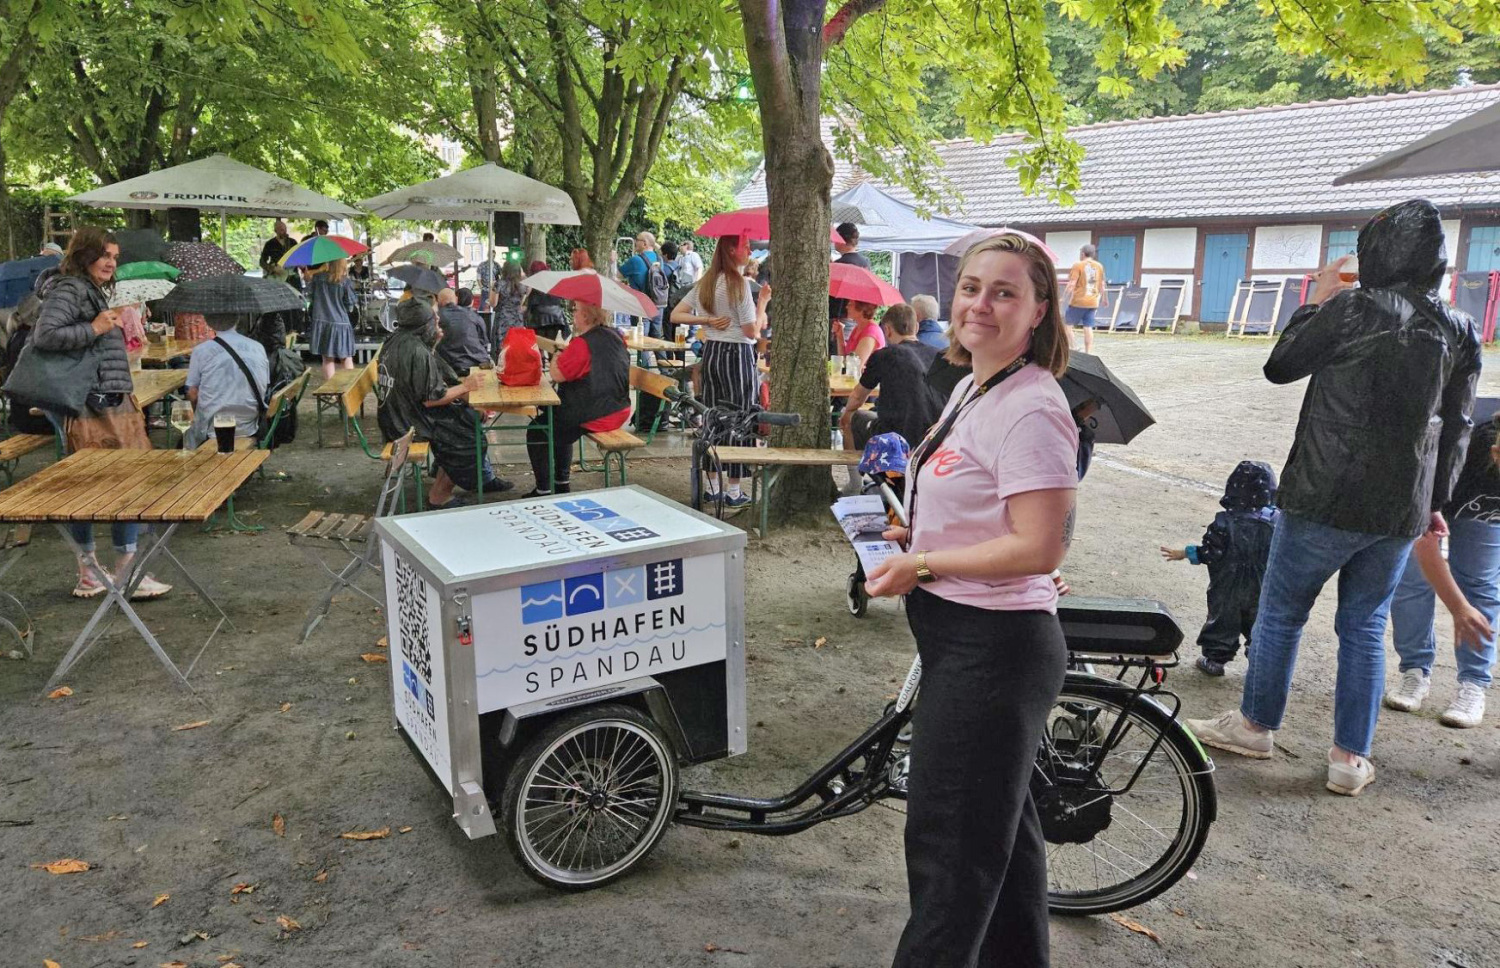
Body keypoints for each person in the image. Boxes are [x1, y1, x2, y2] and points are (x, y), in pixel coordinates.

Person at [1187, 198, 1481, 798]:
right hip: (1400, 507)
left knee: (1282, 613)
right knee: (1366, 627)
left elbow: (1280, 366)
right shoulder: (1460, 328)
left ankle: (1255, 724)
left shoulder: (1354, 307)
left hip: (1323, 494)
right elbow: (1459, 425)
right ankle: (1350, 758)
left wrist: (1316, 301)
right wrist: (1436, 501)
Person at [864, 232, 1076, 968]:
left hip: (994, 652)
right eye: (971, 287)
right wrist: (910, 528)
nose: (980, 303)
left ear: (1039, 309)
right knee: (1002, 849)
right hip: (963, 638)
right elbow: (985, 508)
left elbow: (1040, 547)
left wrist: (921, 562)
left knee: (950, 856)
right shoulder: (972, 385)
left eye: (1005, 291)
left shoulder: (1033, 408)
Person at [32, 227, 170, 600]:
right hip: (93, 403)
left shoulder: (84, 288)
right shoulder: (71, 289)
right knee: (120, 483)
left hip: (100, 399)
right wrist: (94, 327)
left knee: (96, 487)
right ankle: (123, 572)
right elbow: (45, 336)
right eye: (104, 255)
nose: (111, 262)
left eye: (114, 256)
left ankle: (94, 572)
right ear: (84, 255)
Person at [1384, 414, 1500, 728]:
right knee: (1412, 578)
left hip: (1485, 513)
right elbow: (1424, 542)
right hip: (1437, 500)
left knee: (1481, 582)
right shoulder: (1464, 454)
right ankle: (1415, 670)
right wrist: (1458, 607)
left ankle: (1473, 684)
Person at [376, 297, 510, 507]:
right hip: (405, 425)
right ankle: (439, 496)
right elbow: (431, 399)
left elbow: (427, 382)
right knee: (467, 436)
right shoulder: (416, 351)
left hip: (394, 415)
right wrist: (467, 387)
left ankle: (467, 477)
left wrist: (434, 341)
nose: (439, 321)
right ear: (424, 325)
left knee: (468, 417)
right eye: (435, 320)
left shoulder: (397, 340)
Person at [670, 234, 771, 506]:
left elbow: (675, 314)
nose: (750, 250)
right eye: (746, 246)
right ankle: (734, 491)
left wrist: (706, 320)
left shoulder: (707, 282)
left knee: (714, 416)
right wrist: (762, 303)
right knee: (741, 418)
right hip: (737, 354)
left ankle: (713, 486)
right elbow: (752, 330)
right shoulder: (738, 284)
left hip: (712, 353)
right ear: (731, 249)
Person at [1160, 461, 1279, 676]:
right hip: (1263, 587)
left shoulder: (1224, 523)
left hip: (1227, 587)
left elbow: (1209, 553)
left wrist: (1185, 553)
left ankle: (1215, 660)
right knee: (1260, 623)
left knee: (1223, 622)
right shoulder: (1276, 523)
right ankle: (1259, 660)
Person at [522, 301, 631, 497]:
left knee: (538, 430)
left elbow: (557, 375)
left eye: (576, 310)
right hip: (620, 408)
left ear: (587, 316)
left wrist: (556, 356)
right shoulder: (617, 336)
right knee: (555, 420)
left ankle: (544, 489)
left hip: (596, 412)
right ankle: (561, 482)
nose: (573, 313)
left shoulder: (582, 344)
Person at [839, 304, 942, 455]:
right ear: (917, 327)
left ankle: (856, 476)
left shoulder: (885, 355)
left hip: (898, 436)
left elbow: (857, 397)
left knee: (848, 419)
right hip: (935, 436)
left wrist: (846, 412)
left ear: (887, 330)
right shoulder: (938, 355)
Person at [183, 313, 269, 451]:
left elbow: (192, 393)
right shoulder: (258, 347)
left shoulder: (201, 351)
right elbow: (264, 386)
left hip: (212, 428)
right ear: (237, 320)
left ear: (208, 323)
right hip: (249, 424)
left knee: (186, 434)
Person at [306, 257, 357, 381]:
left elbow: (311, 298)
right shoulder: (345, 281)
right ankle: (348, 391)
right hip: (341, 323)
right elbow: (350, 305)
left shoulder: (317, 279)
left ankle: (332, 392)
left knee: (327, 359)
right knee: (346, 358)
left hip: (322, 322)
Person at [1062, 244, 1107, 354]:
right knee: (1088, 327)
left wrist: (1063, 297)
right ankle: (1088, 352)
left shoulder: (1078, 265)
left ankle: (1073, 347)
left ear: (1082, 254)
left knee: (1067, 325)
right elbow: (1102, 285)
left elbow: (1072, 283)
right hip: (1092, 302)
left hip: (1078, 301)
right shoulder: (1099, 266)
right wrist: (1105, 299)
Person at [620, 231, 666, 338]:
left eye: (637, 240)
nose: (635, 242)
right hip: (658, 304)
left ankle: (643, 355)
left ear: (644, 244)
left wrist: (613, 261)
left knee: (641, 340)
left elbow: (618, 275)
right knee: (657, 340)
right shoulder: (660, 260)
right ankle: (664, 356)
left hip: (640, 305)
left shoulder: (636, 260)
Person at [435, 287, 490, 376]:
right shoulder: (473, 315)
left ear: (438, 301)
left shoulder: (436, 317)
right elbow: (484, 341)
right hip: (477, 363)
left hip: (450, 367)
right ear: (456, 299)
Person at [524, 260, 568, 341]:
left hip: (539, 319)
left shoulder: (535, 283)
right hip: (555, 317)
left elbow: (530, 303)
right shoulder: (554, 281)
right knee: (550, 345)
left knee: (539, 346)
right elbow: (560, 298)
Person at [844, 300, 888, 369]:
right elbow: (844, 359)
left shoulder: (871, 332)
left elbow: (854, 367)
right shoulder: (858, 328)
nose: (847, 307)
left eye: (850, 304)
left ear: (862, 309)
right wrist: (839, 335)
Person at [492, 259, 526, 342]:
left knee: (502, 344)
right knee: (516, 345)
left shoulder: (499, 284)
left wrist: (491, 288)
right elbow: (521, 304)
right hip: (517, 319)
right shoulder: (523, 286)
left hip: (502, 319)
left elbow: (493, 303)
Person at [258, 219, 298, 284]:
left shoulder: (292, 242)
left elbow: (299, 257)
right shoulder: (270, 244)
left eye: (285, 229)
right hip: (277, 276)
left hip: (292, 276)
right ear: (276, 231)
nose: (284, 232)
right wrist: (271, 268)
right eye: (282, 230)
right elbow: (262, 261)